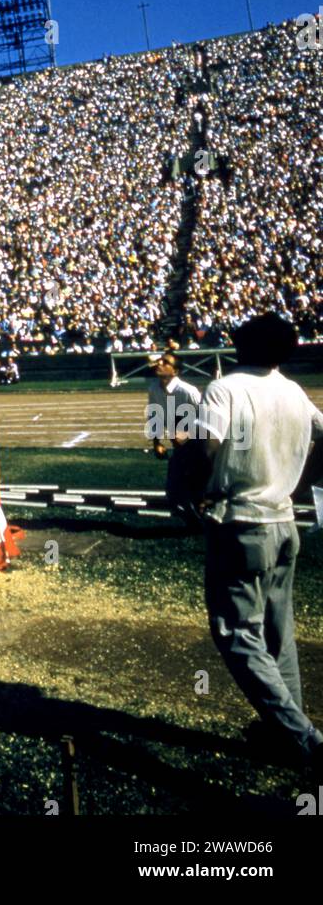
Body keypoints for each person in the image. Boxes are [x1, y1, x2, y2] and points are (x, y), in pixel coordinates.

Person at [196, 311, 323, 769]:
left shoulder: (225, 387)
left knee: (237, 634)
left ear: (243, 345)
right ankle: (284, 733)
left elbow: (207, 445)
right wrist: (300, 481)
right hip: (283, 522)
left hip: (241, 521)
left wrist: (198, 489)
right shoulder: (294, 391)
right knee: (277, 634)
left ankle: (304, 738)